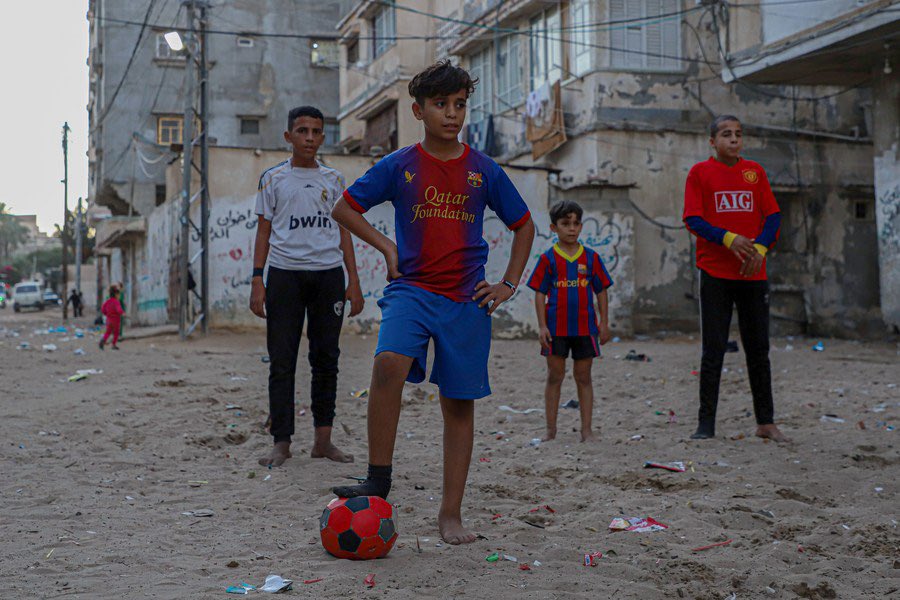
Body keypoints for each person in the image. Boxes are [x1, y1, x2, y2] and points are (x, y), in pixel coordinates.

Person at [329, 60, 536, 545]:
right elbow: (344, 207)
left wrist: (507, 284)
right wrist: (386, 247)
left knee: (458, 406)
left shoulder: (484, 171)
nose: (451, 114)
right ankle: (378, 481)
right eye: (441, 104)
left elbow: (523, 225)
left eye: (459, 104)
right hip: (412, 291)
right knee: (388, 365)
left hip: (466, 300)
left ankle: (450, 514)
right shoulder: (399, 165)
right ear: (418, 110)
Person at [250, 105, 365, 467]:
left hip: (328, 275)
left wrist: (354, 280)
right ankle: (281, 442)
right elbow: (264, 231)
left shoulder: (334, 181)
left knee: (326, 359)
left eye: (317, 131)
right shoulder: (273, 179)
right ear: (289, 136)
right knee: (282, 361)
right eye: (302, 131)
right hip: (285, 276)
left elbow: (345, 231)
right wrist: (257, 278)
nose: (310, 138)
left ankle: (323, 440)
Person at [683, 115, 789, 443]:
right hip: (715, 273)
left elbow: (772, 217)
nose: (734, 139)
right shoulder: (700, 173)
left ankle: (766, 422)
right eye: (726, 134)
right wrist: (729, 238)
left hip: (752, 273)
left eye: (738, 134)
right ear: (712, 141)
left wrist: (759, 247)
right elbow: (692, 219)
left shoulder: (754, 172)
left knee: (758, 348)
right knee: (713, 349)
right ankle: (706, 424)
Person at [527, 200, 613, 443]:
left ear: (581, 226)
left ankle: (586, 431)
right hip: (555, 330)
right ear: (554, 228)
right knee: (555, 376)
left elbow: (602, 290)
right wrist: (542, 326)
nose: (571, 229)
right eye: (566, 224)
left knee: (584, 377)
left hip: (585, 328)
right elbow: (539, 293)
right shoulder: (547, 259)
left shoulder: (592, 258)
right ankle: (550, 431)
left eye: (576, 223)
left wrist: (604, 323)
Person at [99, 285, 124, 350]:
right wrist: (122, 313)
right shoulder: (116, 302)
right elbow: (119, 310)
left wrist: (106, 314)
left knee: (108, 332)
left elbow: (103, 309)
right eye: (119, 295)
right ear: (116, 294)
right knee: (116, 333)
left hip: (108, 319)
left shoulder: (107, 301)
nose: (119, 296)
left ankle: (103, 340)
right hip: (116, 320)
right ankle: (113, 345)